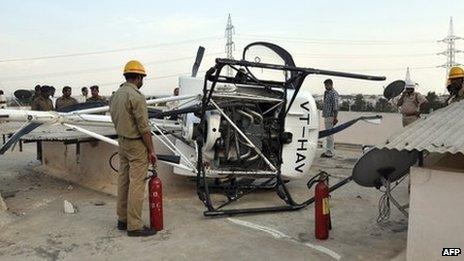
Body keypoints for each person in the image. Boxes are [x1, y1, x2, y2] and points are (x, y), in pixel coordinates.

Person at [109, 60, 157, 237]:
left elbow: (113, 117)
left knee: (124, 181)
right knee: (137, 184)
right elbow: (144, 128)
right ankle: (134, 225)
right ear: (138, 77)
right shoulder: (136, 96)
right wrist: (151, 150)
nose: (142, 80)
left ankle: (122, 220)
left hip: (122, 142)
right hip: (136, 144)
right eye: (142, 77)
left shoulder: (116, 95)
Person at [321, 79, 339, 158]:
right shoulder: (326, 93)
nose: (326, 86)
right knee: (328, 135)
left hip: (331, 116)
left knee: (329, 135)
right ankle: (328, 150)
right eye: (325, 85)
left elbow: (335, 106)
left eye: (327, 85)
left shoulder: (333, 94)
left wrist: (335, 117)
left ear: (331, 84)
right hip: (327, 115)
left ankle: (329, 152)